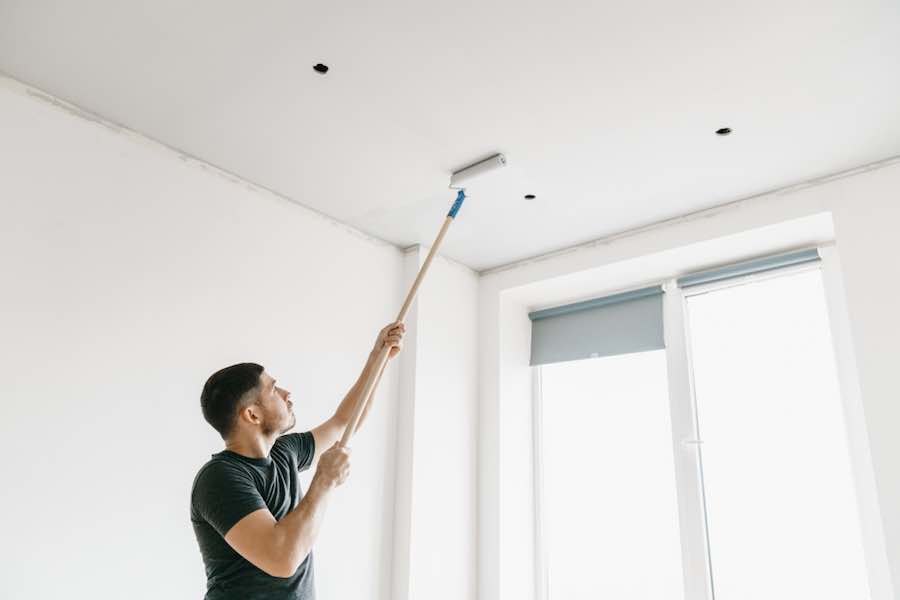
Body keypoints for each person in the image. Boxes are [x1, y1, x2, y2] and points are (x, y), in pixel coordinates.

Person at [190, 321, 405, 599]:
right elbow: (282, 559)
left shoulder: (285, 453)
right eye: (273, 389)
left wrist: (379, 357)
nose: (286, 394)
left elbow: (343, 422)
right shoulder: (220, 479)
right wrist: (324, 481)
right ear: (252, 415)